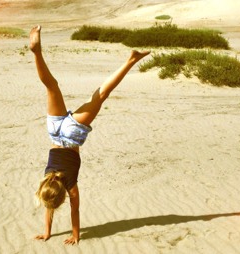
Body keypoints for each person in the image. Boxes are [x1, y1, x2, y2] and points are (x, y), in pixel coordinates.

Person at [30, 25, 150, 245]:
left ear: (63, 196)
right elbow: (48, 202)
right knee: (51, 87)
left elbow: (72, 211)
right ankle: (37, 52)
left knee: (102, 94)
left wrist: (75, 235)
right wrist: (47, 231)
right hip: (55, 132)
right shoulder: (48, 178)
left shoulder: (71, 186)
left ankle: (131, 60)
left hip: (72, 135)